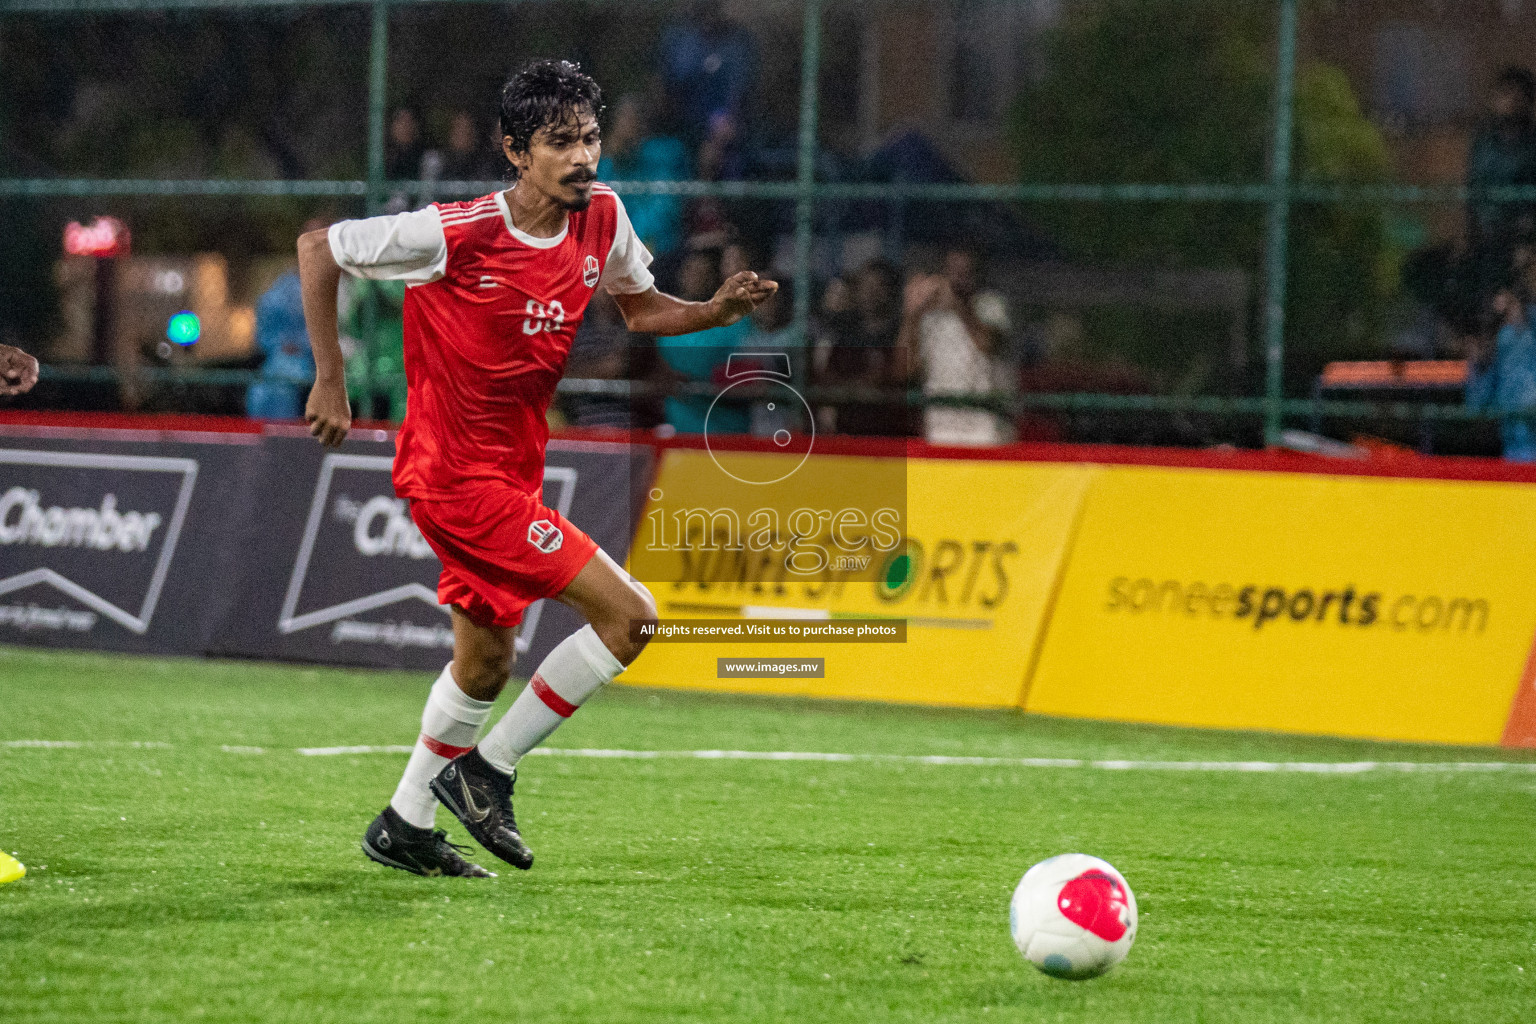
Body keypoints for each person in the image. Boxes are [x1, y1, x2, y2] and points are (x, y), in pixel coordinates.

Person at [297, 60, 776, 878]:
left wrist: (712, 312)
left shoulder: (604, 218)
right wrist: (331, 378)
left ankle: (405, 823)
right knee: (633, 618)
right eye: (560, 142)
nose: (582, 155)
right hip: (453, 477)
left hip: (511, 472)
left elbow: (637, 304)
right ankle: (486, 773)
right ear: (516, 152)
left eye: (589, 137)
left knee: (485, 663)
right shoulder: (456, 230)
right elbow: (318, 249)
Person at [896, 247, 1015, 446]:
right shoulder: (929, 317)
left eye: (965, 272)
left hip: (986, 430)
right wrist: (912, 314)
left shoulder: (992, 306)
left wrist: (958, 304)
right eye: (953, 272)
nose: (958, 279)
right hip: (939, 429)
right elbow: (903, 371)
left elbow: (987, 344)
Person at [813, 259, 909, 436]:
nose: (870, 293)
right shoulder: (846, 332)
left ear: (890, 291)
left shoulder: (898, 332)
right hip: (850, 427)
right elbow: (829, 375)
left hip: (889, 429)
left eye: (878, 286)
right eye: (865, 286)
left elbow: (899, 375)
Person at [1468, 67, 1536, 293]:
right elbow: (1473, 190)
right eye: (1503, 93)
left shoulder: (1530, 145)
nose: (1508, 101)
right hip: (1486, 238)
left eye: (1515, 93)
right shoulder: (1484, 143)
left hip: (1521, 240)